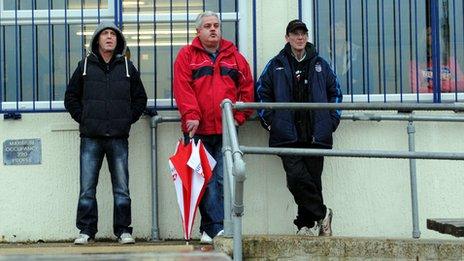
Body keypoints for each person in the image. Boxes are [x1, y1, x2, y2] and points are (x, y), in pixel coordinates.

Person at [255, 20, 342, 236]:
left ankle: (305, 226)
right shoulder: (276, 64)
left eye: (303, 33)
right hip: (287, 135)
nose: (300, 37)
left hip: (316, 134)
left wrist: (331, 121)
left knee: (312, 181)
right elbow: (261, 94)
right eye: (295, 34)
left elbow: (336, 93)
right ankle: (323, 214)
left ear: (307, 37)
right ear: (288, 38)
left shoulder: (321, 64)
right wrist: (271, 122)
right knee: (296, 178)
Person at [173, 11, 254, 244]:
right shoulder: (187, 56)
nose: (213, 29)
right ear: (198, 31)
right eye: (207, 26)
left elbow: (247, 89)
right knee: (203, 181)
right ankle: (214, 227)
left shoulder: (235, 57)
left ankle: (210, 229)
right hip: (198, 130)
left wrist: (237, 118)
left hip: (226, 131)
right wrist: (191, 115)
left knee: (221, 179)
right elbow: (183, 88)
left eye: (216, 25)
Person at [64, 21, 147, 245]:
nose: (109, 37)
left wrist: (127, 119)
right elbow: (70, 98)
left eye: (113, 34)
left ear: (118, 40)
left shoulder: (128, 68)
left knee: (122, 188)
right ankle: (86, 231)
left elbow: (141, 99)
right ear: (97, 40)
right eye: (105, 34)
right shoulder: (84, 66)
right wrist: (84, 118)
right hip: (91, 137)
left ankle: (123, 231)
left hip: (118, 137)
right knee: (87, 189)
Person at [410, 27, 464, 93]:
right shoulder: (415, 64)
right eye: (429, 34)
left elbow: (462, 84)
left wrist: (431, 84)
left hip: (448, 100)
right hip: (426, 102)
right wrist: (449, 82)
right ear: (424, 40)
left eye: (436, 34)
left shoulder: (451, 61)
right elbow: (416, 90)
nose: (434, 36)